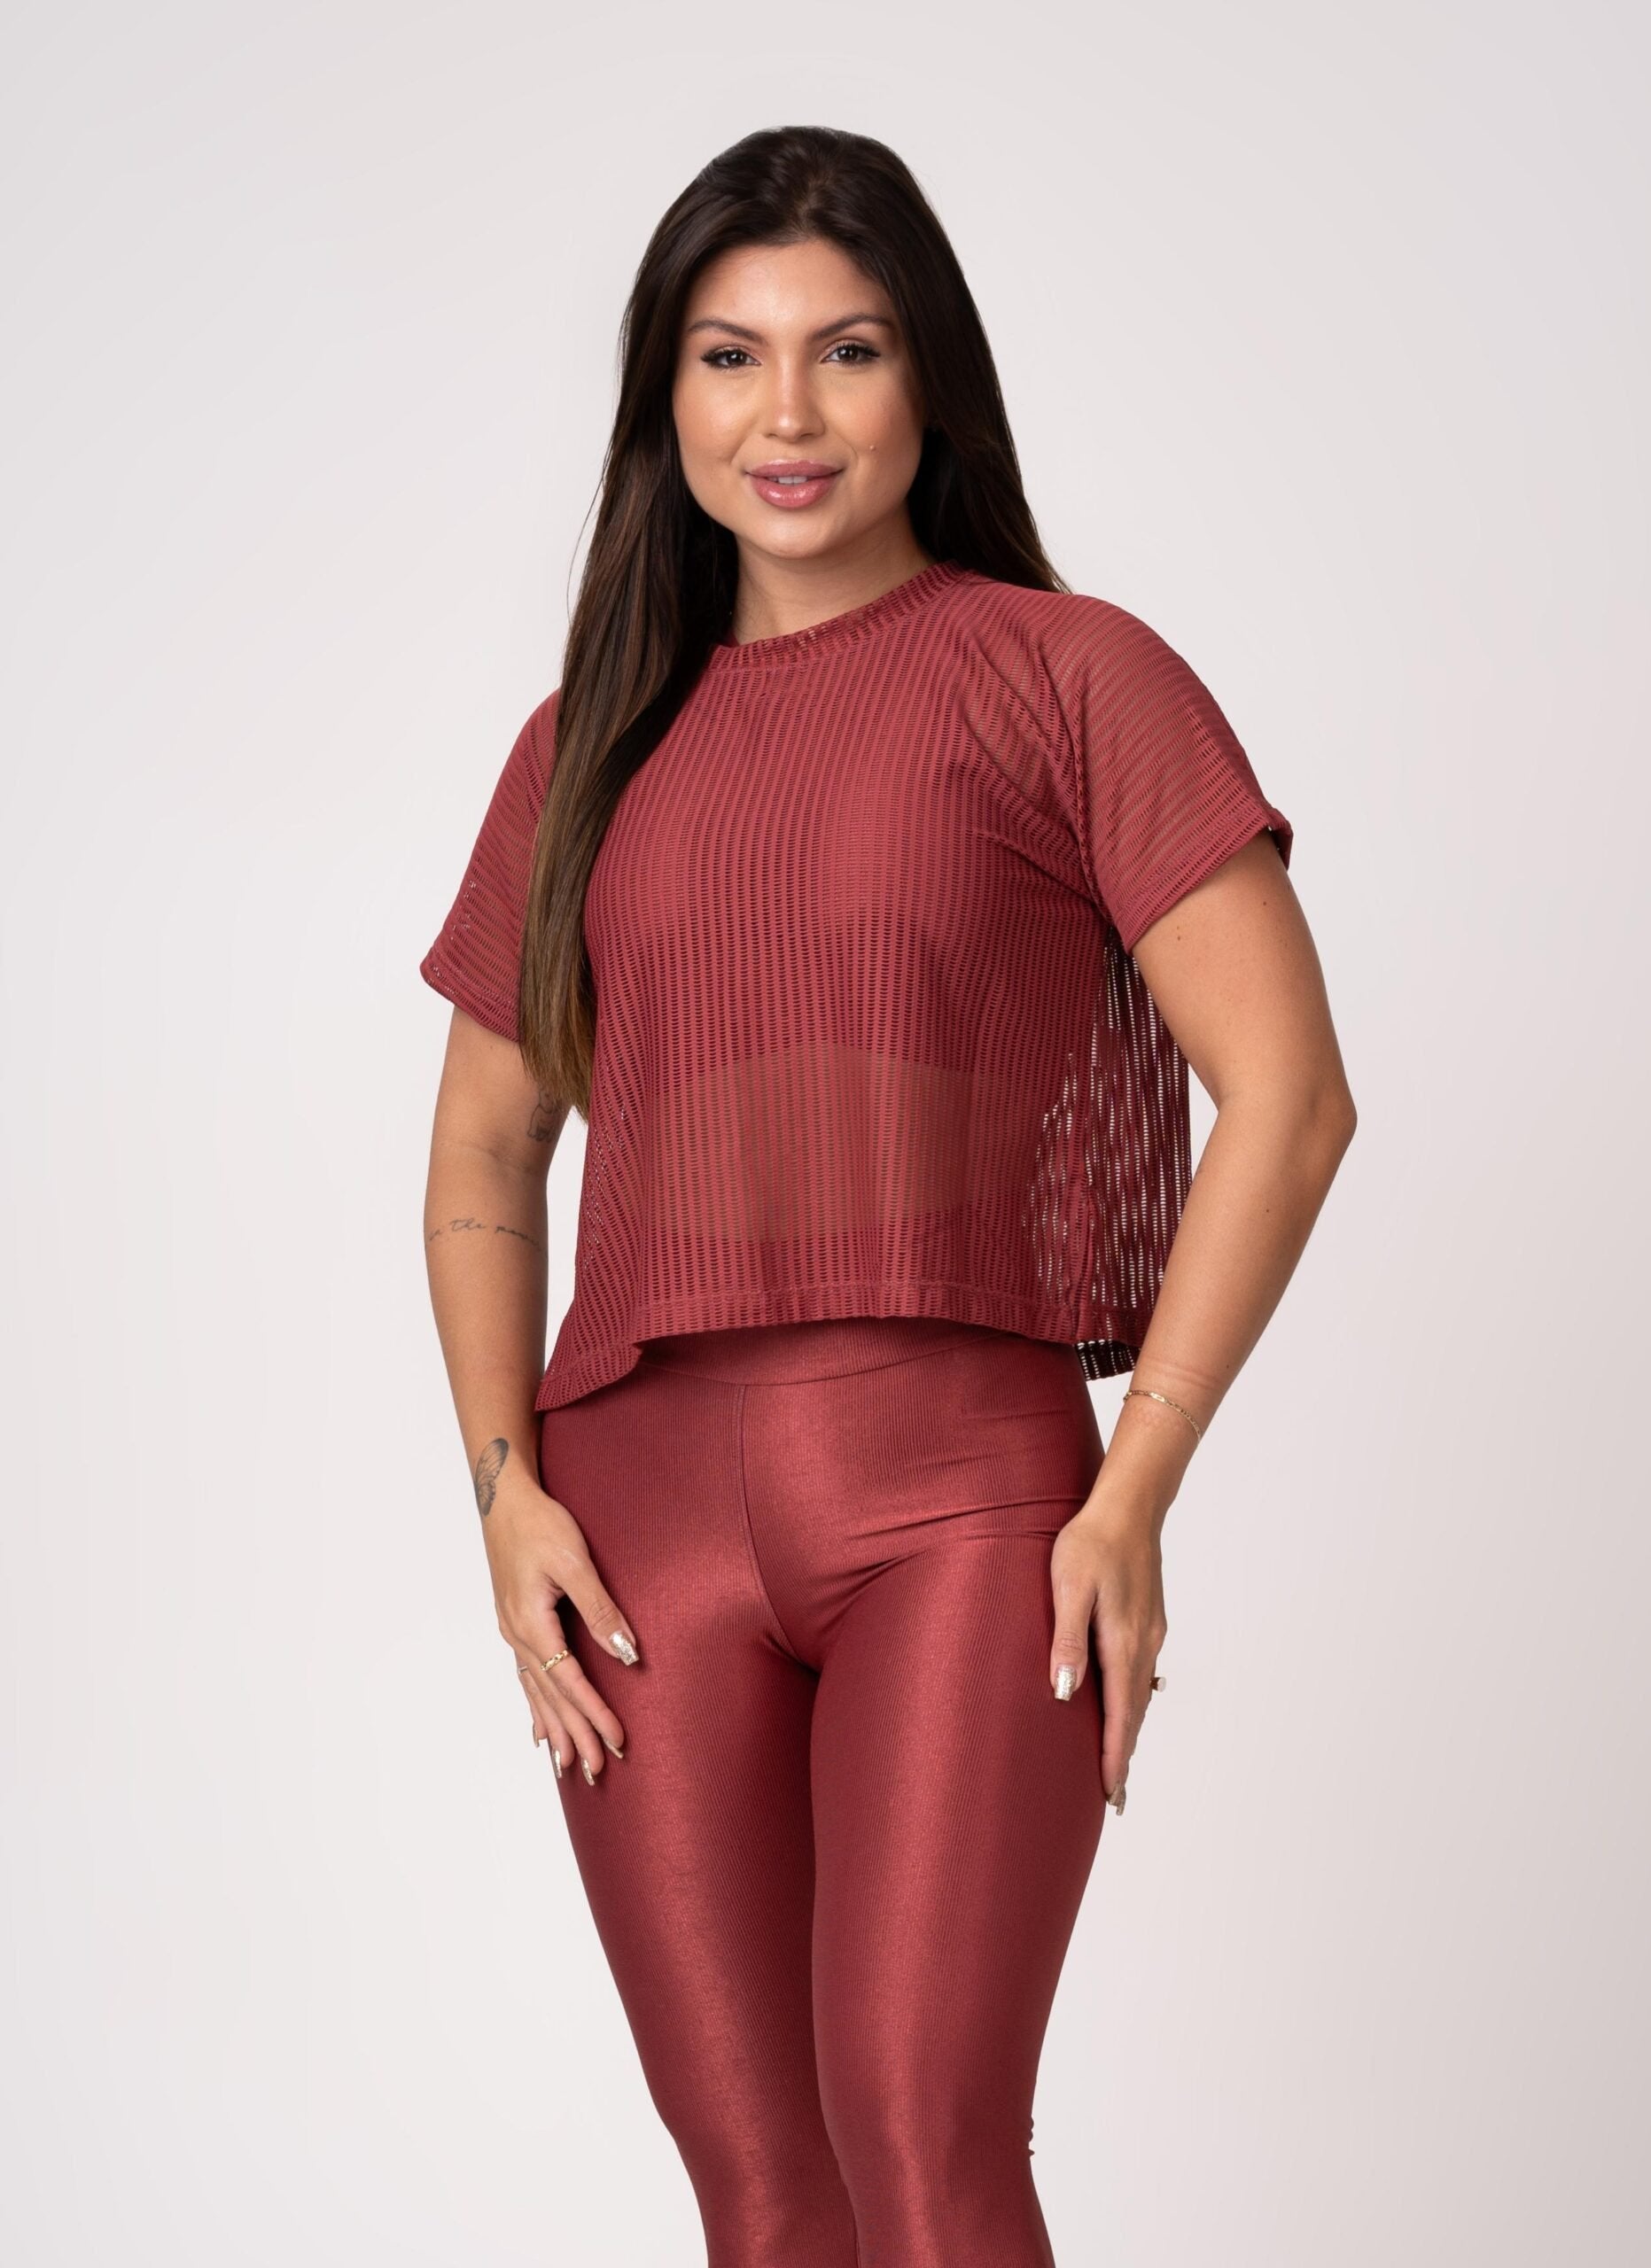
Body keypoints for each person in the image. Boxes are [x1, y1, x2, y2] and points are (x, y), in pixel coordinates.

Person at [417, 123, 1355, 2268]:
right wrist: (500, 1489)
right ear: (662, 399)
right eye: (727, 354)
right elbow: (482, 1147)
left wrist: (1133, 1484)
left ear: (929, 374)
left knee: (925, 2142)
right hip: (632, 1523)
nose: (787, 412)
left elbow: (1288, 1096)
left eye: (845, 350)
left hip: (958, 1494)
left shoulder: (1068, 673)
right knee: (762, 2191)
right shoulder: (584, 746)